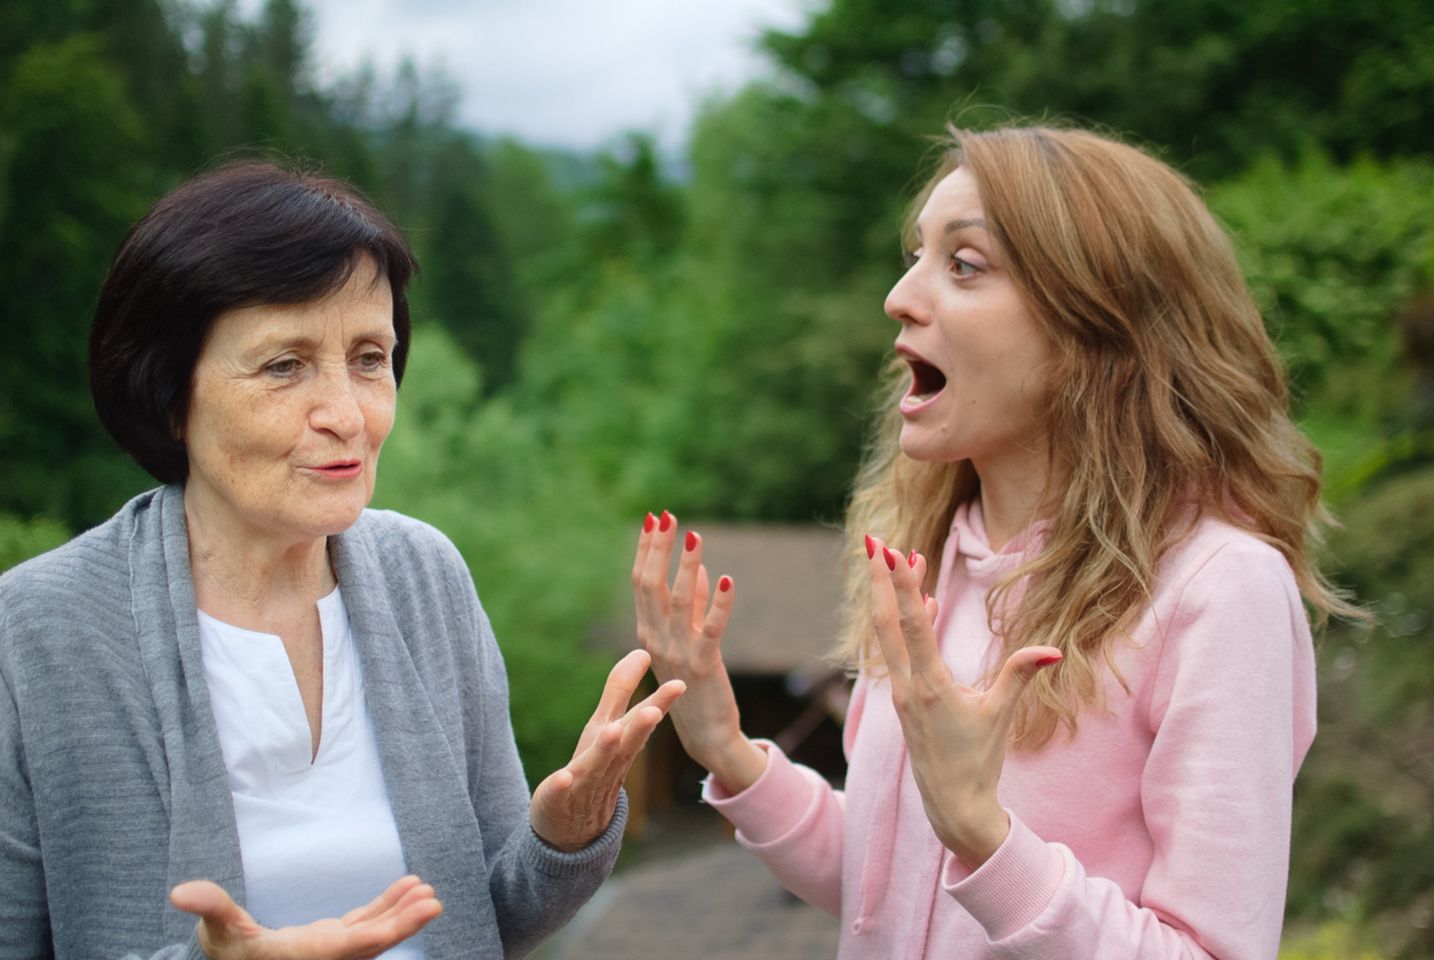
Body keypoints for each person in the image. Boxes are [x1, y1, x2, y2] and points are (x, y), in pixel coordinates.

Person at [632, 124, 1358, 958]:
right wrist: (729, 751)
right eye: (914, 256)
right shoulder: (928, 561)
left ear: (1099, 327)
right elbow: (885, 890)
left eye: (964, 265)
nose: (900, 297)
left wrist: (986, 838)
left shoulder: (1222, 590)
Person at [0, 162, 683, 960]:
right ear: (166, 392)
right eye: (284, 366)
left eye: (368, 358)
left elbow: (488, 920)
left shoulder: (425, 576)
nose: (348, 414)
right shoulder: (37, 630)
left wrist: (565, 836)